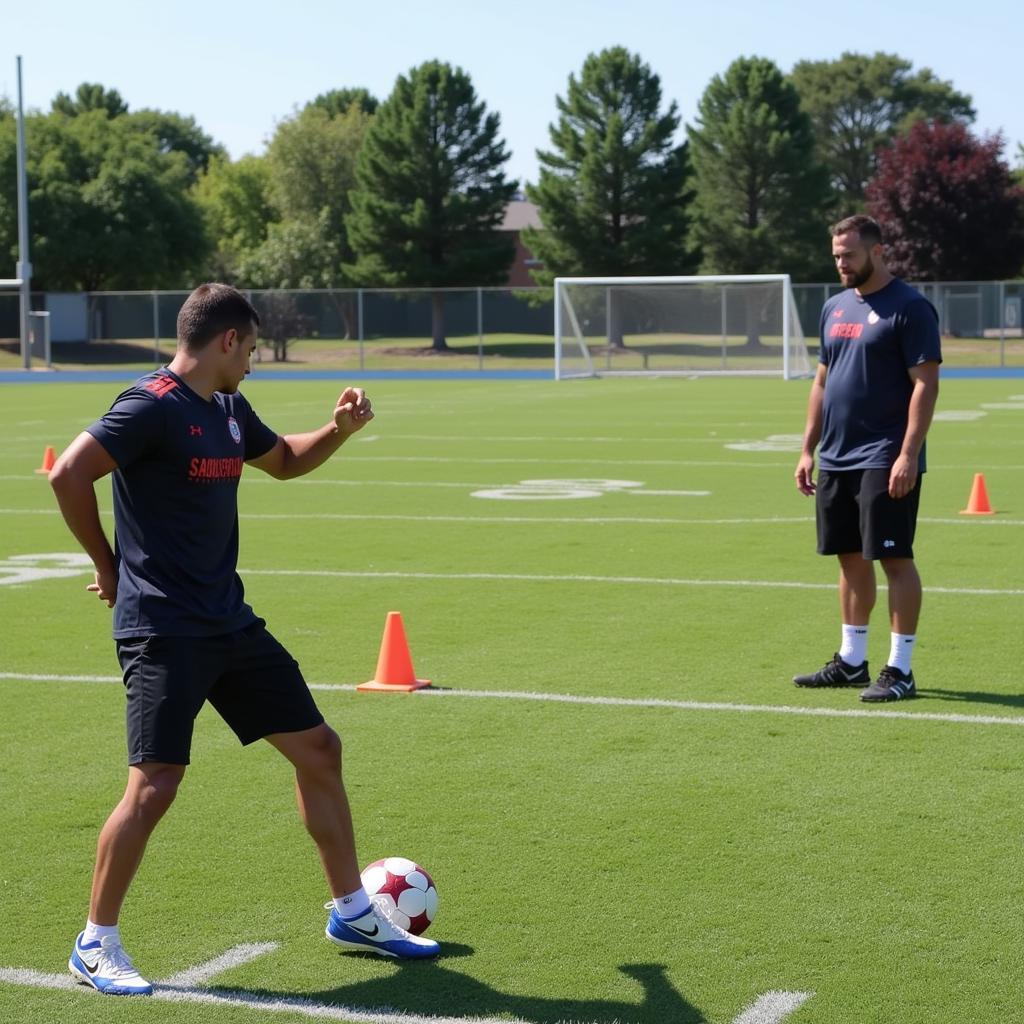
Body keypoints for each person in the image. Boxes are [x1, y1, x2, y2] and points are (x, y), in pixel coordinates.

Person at [49, 283, 438, 997]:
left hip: (229, 621)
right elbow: (69, 473)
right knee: (155, 784)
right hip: (162, 626)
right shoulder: (150, 405)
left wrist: (339, 430)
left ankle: (353, 912)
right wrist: (109, 568)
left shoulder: (228, 410)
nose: (255, 363)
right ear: (227, 340)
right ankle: (95, 942)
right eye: (253, 349)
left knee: (320, 749)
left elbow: (285, 460)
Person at [793, 215, 941, 702]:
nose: (840, 263)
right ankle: (852, 661)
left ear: (878, 252)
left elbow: (925, 383)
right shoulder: (834, 307)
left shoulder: (911, 308)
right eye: (835, 255)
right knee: (849, 558)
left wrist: (907, 455)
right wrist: (807, 449)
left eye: (848, 255)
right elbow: (821, 380)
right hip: (836, 455)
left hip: (884, 455)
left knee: (894, 559)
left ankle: (900, 669)